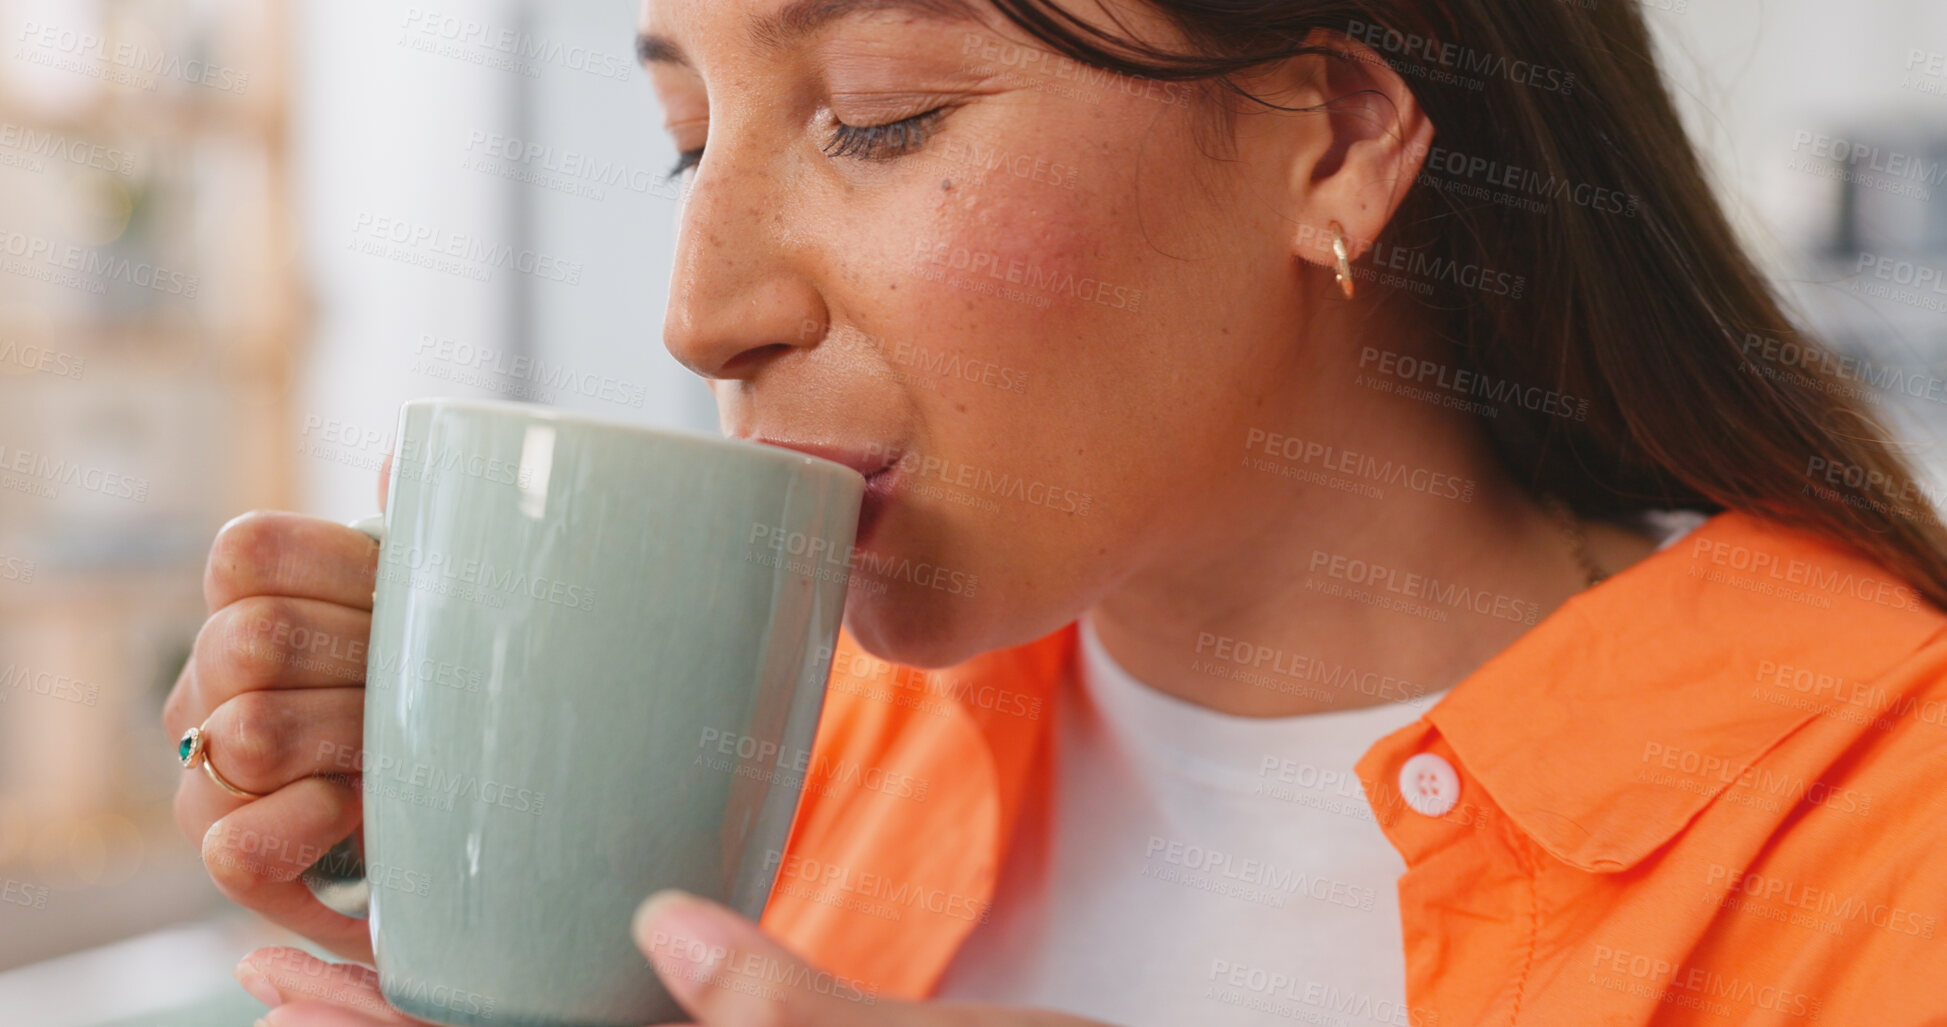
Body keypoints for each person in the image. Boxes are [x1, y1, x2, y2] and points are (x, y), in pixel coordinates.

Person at [166, 0, 1947, 1024]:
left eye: (880, 118)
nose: (699, 311)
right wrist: (479, 876)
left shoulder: (1889, 822)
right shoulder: (785, 759)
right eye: (687, 138)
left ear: (1332, 139)